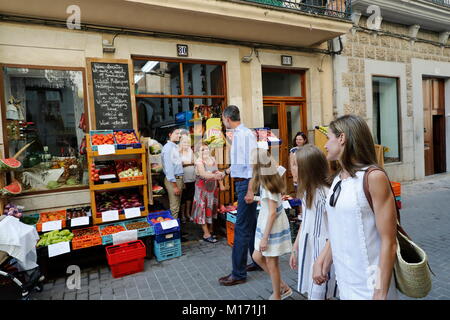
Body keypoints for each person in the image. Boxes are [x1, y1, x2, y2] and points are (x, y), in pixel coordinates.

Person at [314, 114, 398, 300]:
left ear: (342, 138)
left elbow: (389, 241)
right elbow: (338, 225)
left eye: (329, 138)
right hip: (345, 280)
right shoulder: (336, 180)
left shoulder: (373, 177)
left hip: (371, 284)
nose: (325, 145)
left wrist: (380, 291)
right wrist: (324, 258)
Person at [219, 105, 261, 286]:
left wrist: (251, 190)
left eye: (222, 119)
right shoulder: (239, 134)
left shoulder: (244, 135)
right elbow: (241, 164)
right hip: (244, 183)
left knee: (242, 228)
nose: (222, 122)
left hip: (247, 185)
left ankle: (238, 273)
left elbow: (253, 164)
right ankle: (258, 262)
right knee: (250, 226)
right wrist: (226, 172)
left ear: (227, 118)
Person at [289, 145, 338, 300]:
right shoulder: (306, 191)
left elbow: (336, 229)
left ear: (308, 168)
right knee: (314, 292)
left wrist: (323, 260)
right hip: (309, 245)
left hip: (322, 250)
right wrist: (295, 247)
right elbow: (306, 220)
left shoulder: (324, 193)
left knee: (319, 293)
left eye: (296, 165)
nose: (292, 169)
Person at [251, 148, 293, 300]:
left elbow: (273, 212)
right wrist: (256, 199)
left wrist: (264, 238)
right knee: (257, 256)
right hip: (268, 223)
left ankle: (278, 294)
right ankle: (282, 286)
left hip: (271, 225)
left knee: (271, 261)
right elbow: (271, 204)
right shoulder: (268, 179)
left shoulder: (268, 185)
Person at [191, 144, 226, 243]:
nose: (205, 151)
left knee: (211, 207)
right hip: (202, 190)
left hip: (212, 189)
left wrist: (221, 184)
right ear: (198, 152)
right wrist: (218, 176)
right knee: (202, 209)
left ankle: (210, 230)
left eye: (206, 149)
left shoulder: (212, 159)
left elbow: (216, 171)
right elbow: (203, 174)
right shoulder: (198, 162)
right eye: (202, 150)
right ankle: (206, 234)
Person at [161, 127, 184, 220]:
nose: (179, 135)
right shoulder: (168, 148)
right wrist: (174, 186)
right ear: (170, 135)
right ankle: (173, 231)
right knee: (174, 207)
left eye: (180, 134)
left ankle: (176, 228)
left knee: (177, 205)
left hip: (178, 179)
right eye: (176, 133)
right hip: (173, 180)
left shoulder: (174, 147)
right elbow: (169, 169)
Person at [179, 131, 196, 224]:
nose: (186, 144)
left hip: (192, 177)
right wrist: (189, 163)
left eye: (187, 142)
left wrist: (187, 163)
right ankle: (182, 215)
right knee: (183, 197)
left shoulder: (190, 150)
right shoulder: (178, 151)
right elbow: (179, 165)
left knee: (190, 196)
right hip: (183, 178)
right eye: (184, 142)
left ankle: (188, 214)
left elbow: (194, 161)